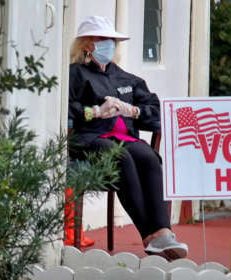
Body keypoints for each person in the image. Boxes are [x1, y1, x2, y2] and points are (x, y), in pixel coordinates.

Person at [65, 15, 188, 260]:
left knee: (149, 157)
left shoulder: (126, 78)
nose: (109, 44)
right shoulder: (75, 75)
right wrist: (95, 112)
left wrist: (134, 111)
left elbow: (155, 110)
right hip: (90, 138)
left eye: (111, 40)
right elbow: (65, 109)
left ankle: (164, 232)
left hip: (125, 139)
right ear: (87, 44)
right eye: (102, 39)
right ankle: (149, 236)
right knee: (121, 158)